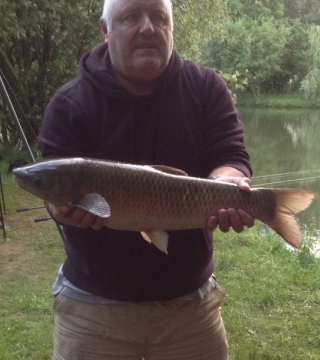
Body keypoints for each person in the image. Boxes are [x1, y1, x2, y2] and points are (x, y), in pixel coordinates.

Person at [38, 0, 254, 358]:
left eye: (158, 17)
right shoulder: (69, 104)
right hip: (94, 307)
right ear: (105, 31)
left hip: (190, 304)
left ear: (171, 27)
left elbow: (230, 157)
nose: (148, 27)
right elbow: (54, 188)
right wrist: (61, 210)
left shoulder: (206, 88)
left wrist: (228, 183)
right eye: (130, 17)